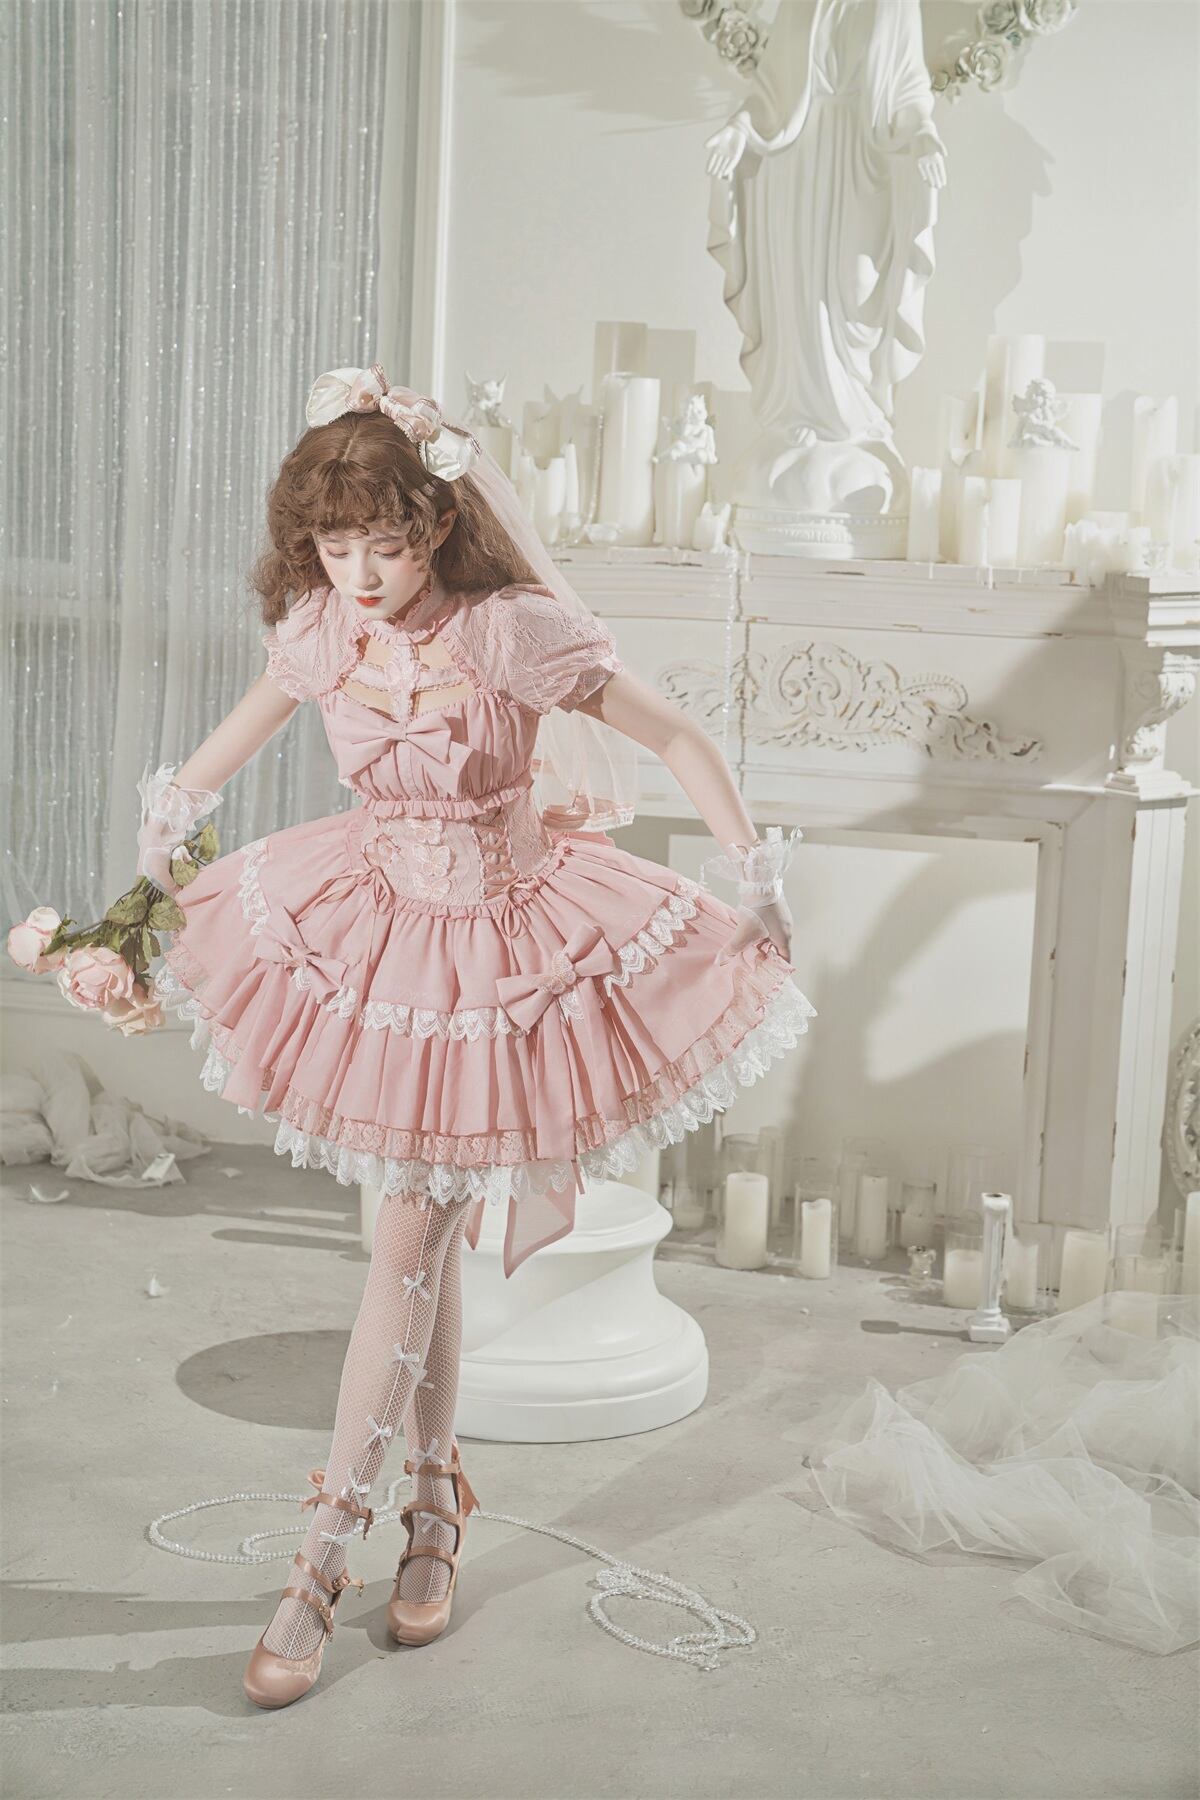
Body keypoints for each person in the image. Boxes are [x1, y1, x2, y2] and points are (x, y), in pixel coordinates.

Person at [138, 366, 815, 1708]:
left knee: (405, 1243)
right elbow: (219, 752)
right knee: (422, 1236)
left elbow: (676, 735)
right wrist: (160, 840)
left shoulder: (509, 634)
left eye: (384, 546)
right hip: (373, 935)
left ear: (439, 526)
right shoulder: (325, 631)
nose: (360, 573)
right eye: (337, 546)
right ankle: (436, 1503)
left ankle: (321, 1559)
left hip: (505, 958)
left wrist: (754, 871)